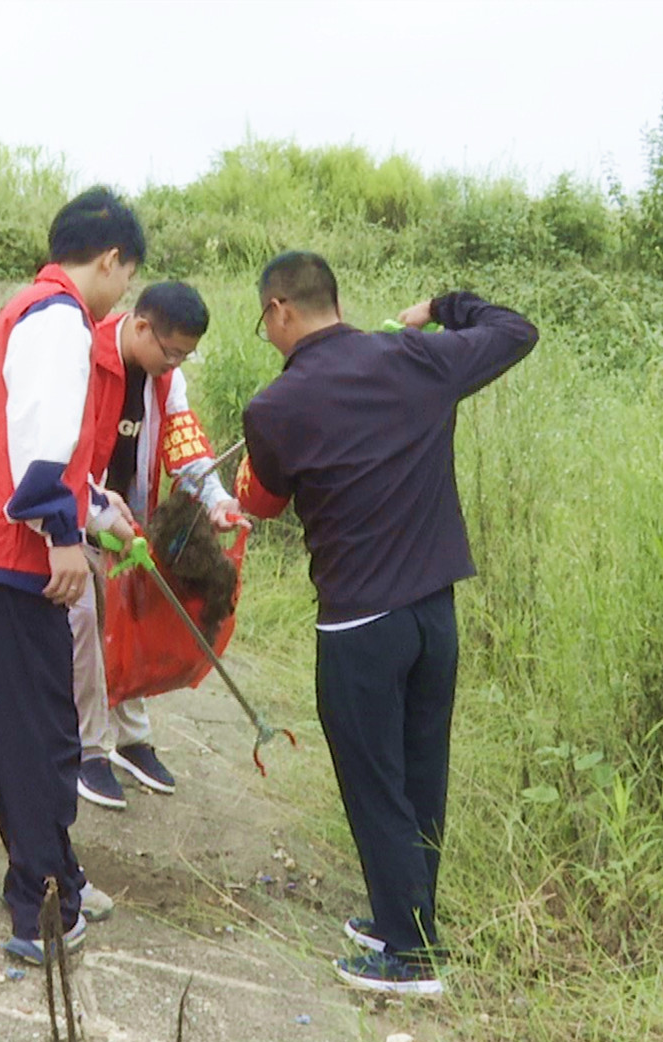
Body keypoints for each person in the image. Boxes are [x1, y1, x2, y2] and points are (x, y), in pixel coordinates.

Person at [238, 251, 538, 995]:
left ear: (281, 309)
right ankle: (402, 915)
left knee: (375, 783)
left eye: (264, 320)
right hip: (435, 612)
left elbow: (264, 503)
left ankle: (409, 955)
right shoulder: (418, 357)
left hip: (359, 624)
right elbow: (516, 330)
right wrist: (438, 307)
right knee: (419, 772)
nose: (268, 333)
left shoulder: (275, 407)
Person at [0, 186, 143, 964]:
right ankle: (44, 910)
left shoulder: (17, 312)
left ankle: (51, 878)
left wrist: (94, 512)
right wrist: (61, 534)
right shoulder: (60, 318)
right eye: (128, 279)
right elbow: (43, 447)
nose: (122, 297)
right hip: (4, 560)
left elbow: (23, 437)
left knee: (8, 735)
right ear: (111, 260)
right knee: (46, 741)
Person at [69, 281, 240, 810]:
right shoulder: (83, 356)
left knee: (135, 624)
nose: (175, 364)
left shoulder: (168, 379)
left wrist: (216, 499)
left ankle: (131, 740)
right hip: (77, 517)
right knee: (86, 630)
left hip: (133, 522)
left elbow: (187, 448)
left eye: (185, 355)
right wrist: (97, 510)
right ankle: (88, 749)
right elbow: (64, 452)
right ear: (142, 327)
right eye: (171, 352)